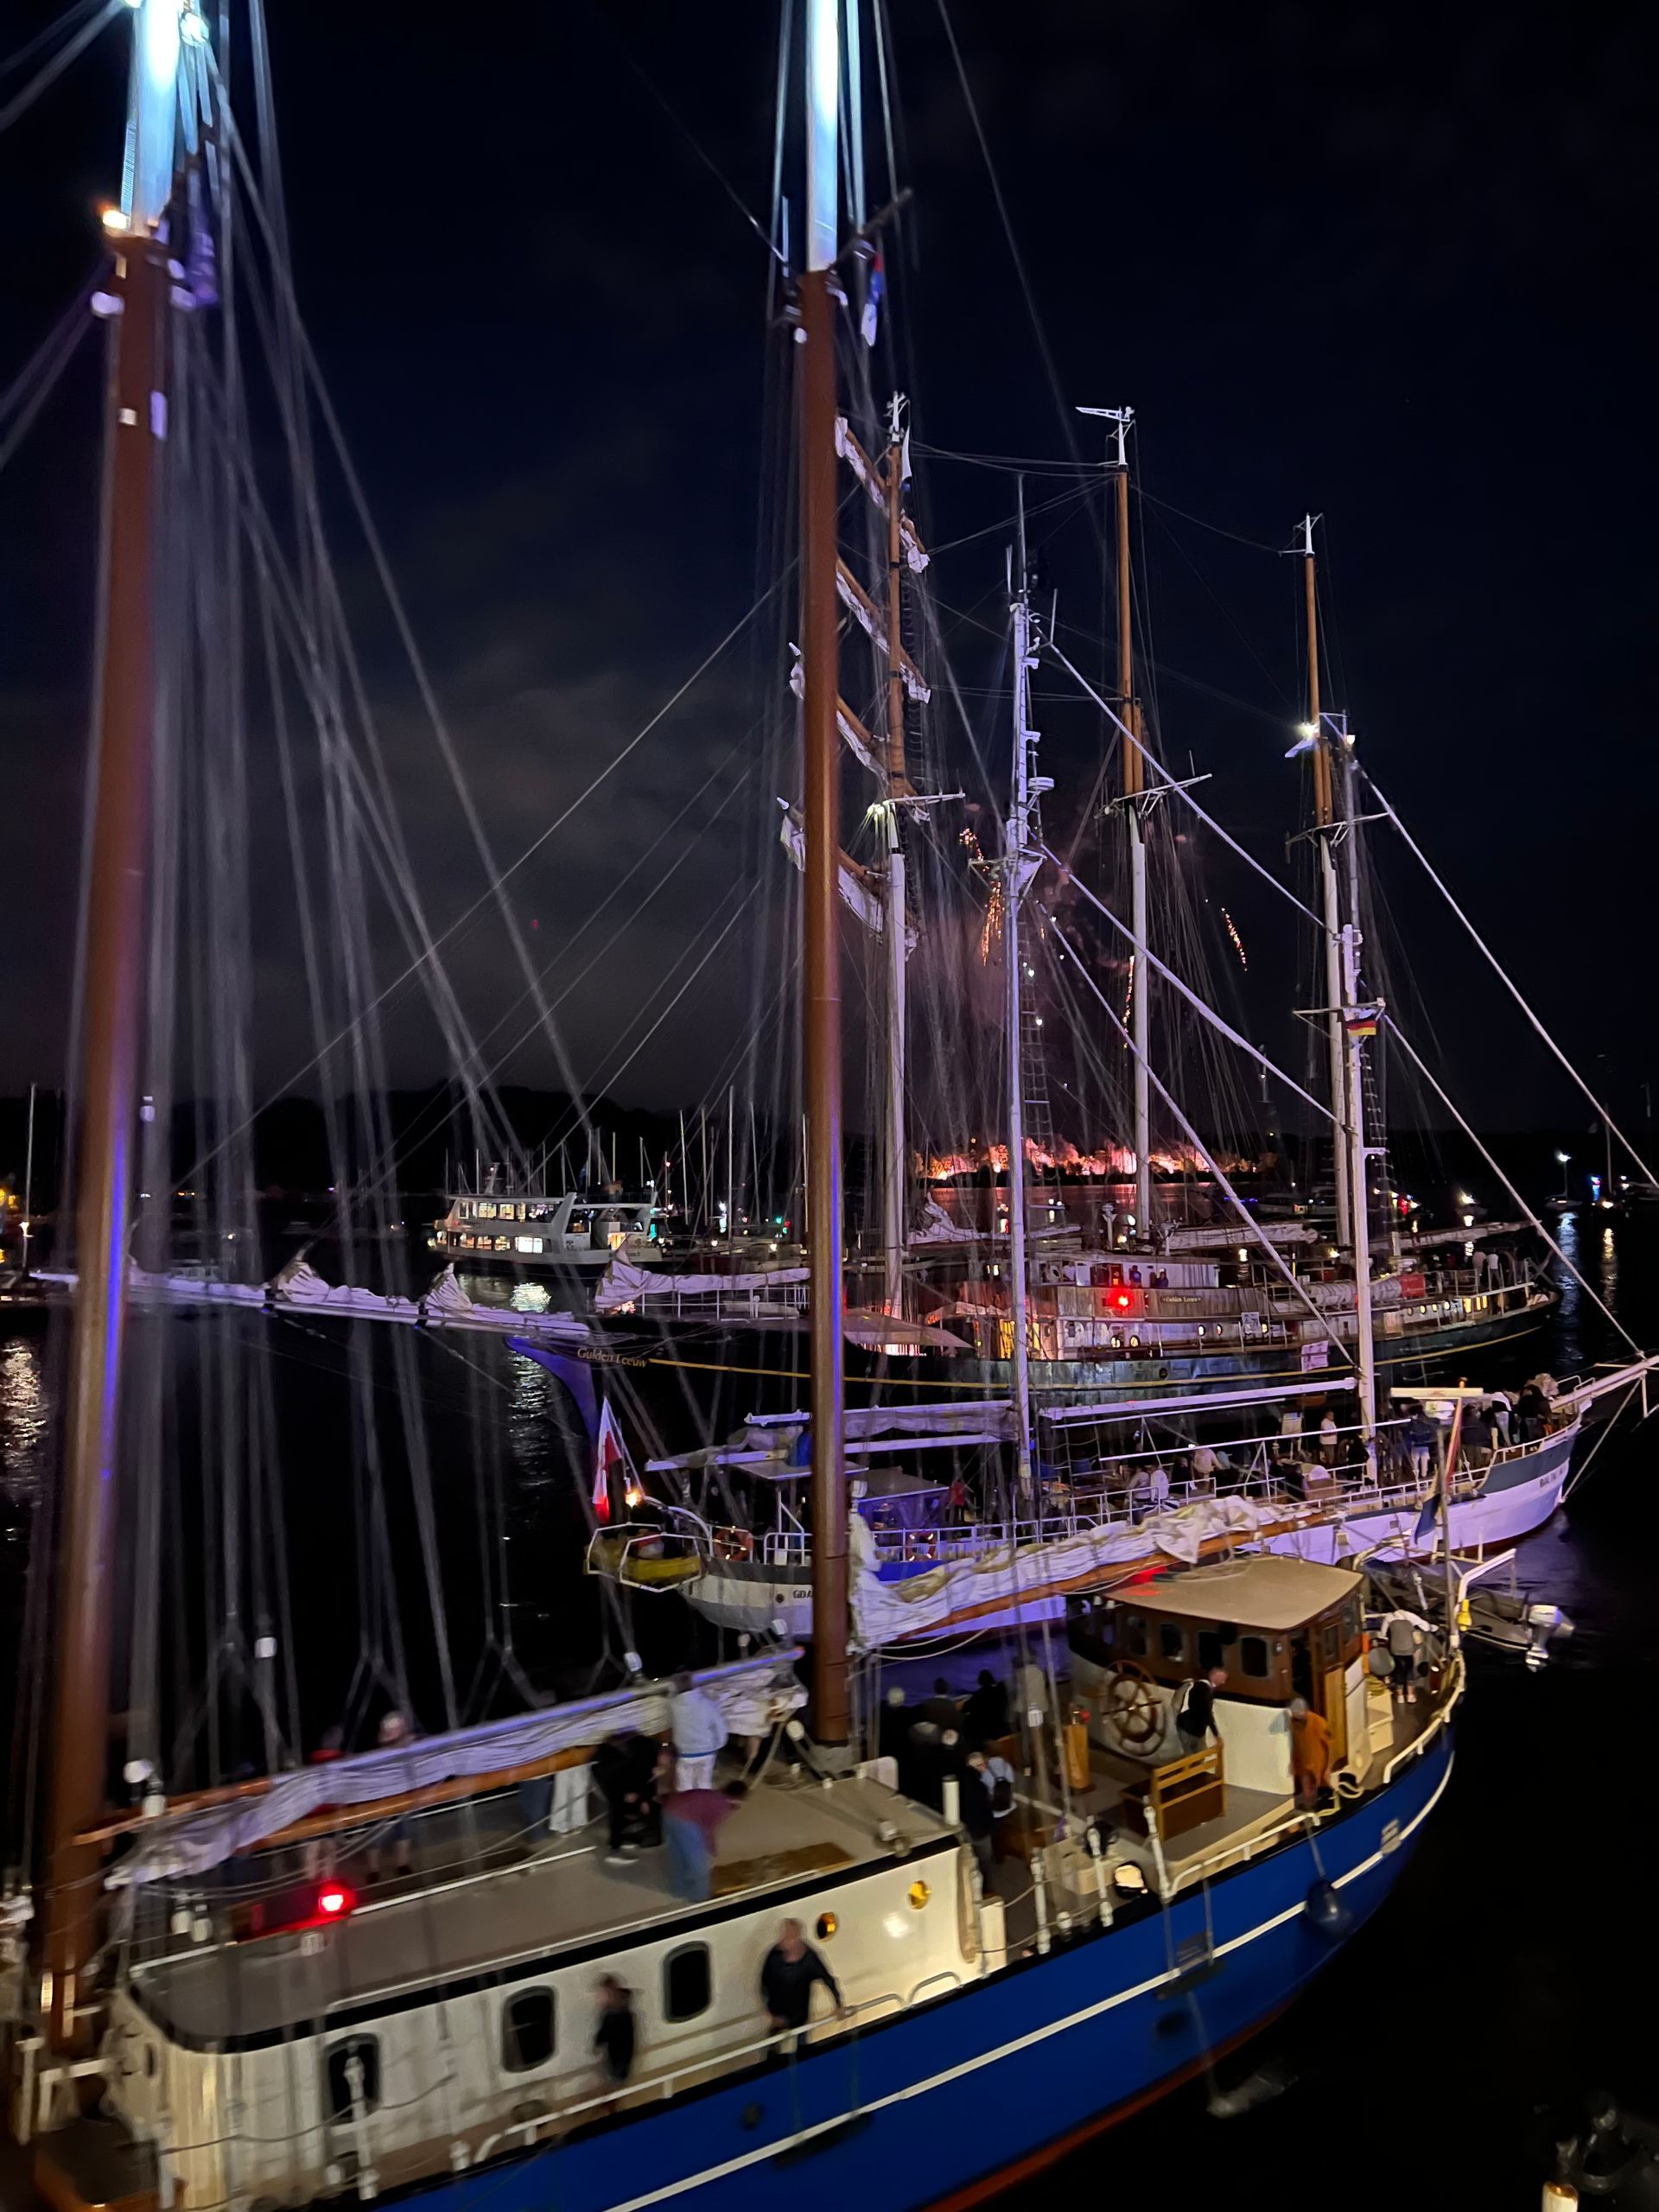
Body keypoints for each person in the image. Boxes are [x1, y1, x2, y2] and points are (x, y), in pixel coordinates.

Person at [660, 1780, 744, 1903]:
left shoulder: (711, 1794)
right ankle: (699, 1897)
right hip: (684, 1820)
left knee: (677, 1854)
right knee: (699, 1864)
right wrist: (711, 1846)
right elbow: (708, 1828)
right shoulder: (722, 1806)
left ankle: (677, 1889)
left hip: (669, 1812)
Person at [760, 1918, 845, 2037]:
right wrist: (772, 2013)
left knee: (802, 2044)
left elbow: (827, 1979)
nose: (784, 1938)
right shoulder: (774, 1956)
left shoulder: (809, 1958)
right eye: (784, 1933)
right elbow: (764, 1984)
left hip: (800, 2014)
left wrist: (838, 2004)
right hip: (779, 2014)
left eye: (788, 1934)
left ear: (796, 1935)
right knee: (773, 2049)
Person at [367, 1710, 415, 1881]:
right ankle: (373, 1870)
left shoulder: (408, 1743)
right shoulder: (380, 1745)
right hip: (381, 1799)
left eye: (399, 1726)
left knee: (405, 1832)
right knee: (376, 1837)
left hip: (403, 1796)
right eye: (394, 1727)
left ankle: (403, 1864)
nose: (398, 1729)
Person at [669, 1671, 728, 1790]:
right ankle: (704, 1805)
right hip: (707, 1750)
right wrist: (718, 1745)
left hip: (685, 1753)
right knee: (704, 1783)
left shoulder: (672, 1705)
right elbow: (719, 1726)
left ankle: (687, 1806)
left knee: (684, 1787)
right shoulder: (706, 1703)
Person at [957, 1751, 996, 1883]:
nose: (984, 1767)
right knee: (985, 1861)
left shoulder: (959, 1784)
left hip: (966, 1829)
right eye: (981, 1765)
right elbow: (985, 1809)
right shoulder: (980, 1786)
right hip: (980, 1831)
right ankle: (986, 1886)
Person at [1287, 1696, 1332, 1808]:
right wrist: (1292, 1762)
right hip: (1302, 1763)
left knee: (1318, 1787)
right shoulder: (1292, 1723)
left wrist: (1328, 1767)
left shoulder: (1319, 1723)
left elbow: (1330, 1747)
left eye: (1300, 1718)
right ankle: (1309, 1807)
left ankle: (1319, 1808)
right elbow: (1293, 1744)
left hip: (1318, 1763)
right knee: (1306, 1790)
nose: (1298, 1721)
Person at [593, 1975, 636, 2088]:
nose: (599, 1997)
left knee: (615, 2083)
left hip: (618, 2061)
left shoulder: (619, 2015)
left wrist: (599, 2041)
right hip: (614, 2057)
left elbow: (624, 2043)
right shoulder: (613, 2012)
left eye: (602, 1994)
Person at [1178, 1666, 1228, 1758]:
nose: (1223, 1682)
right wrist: (1216, 1735)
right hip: (1189, 1728)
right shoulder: (1202, 1689)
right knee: (1191, 1759)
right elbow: (1206, 1712)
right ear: (1215, 1676)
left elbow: (1206, 1712)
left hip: (1193, 1729)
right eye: (1222, 1679)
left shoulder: (1204, 1689)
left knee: (1197, 1758)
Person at [984, 1745, 1018, 1856]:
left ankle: (1000, 1855)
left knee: (997, 1835)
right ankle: (1010, 1850)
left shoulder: (986, 1770)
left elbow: (985, 1787)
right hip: (1009, 1805)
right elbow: (1011, 1781)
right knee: (1008, 1831)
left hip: (995, 1810)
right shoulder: (1006, 1765)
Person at [963, 1669, 1010, 1746]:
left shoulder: (979, 1695)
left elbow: (965, 1708)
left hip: (985, 1729)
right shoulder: (999, 1692)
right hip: (1000, 1725)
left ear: (980, 1681)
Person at [1385, 1612, 1423, 1705]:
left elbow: (1386, 1635)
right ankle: (1410, 1696)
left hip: (1396, 1651)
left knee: (1399, 1672)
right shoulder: (1409, 1624)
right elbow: (1417, 1640)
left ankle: (1400, 1697)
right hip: (1408, 1652)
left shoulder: (1392, 1624)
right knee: (1409, 1672)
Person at [1404, 1405, 1437, 1485]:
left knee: (1417, 1464)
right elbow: (1431, 1433)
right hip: (1423, 1446)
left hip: (1418, 1446)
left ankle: (1418, 1480)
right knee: (1423, 1463)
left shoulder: (1412, 1424)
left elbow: (1409, 1434)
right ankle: (1422, 1480)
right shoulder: (1424, 1423)